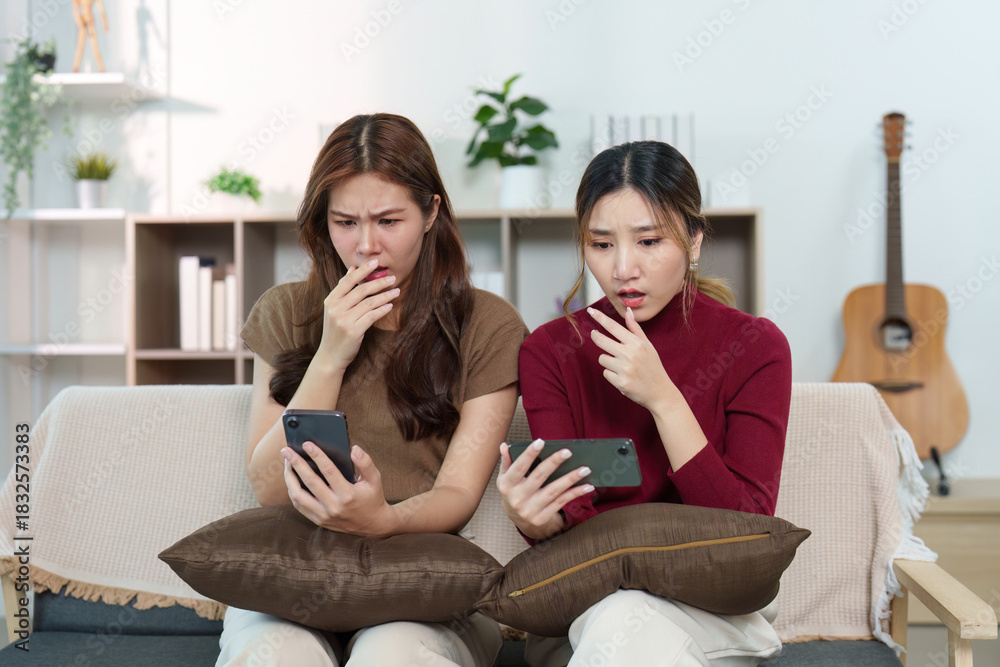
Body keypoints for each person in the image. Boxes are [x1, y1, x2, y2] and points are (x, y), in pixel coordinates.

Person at [217, 113, 528, 667]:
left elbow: (457, 494)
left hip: (420, 580)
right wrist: (332, 352)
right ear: (322, 222)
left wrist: (384, 519)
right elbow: (267, 485)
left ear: (432, 212)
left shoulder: (488, 325)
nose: (365, 247)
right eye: (345, 222)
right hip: (295, 574)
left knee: (396, 655)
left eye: (388, 221)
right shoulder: (286, 311)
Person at [496, 141, 793, 667]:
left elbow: (744, 528)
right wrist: (535, 518)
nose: (623, 268)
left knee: (624, 628)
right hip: (584, 612)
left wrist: (664, 399)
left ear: (694, 240)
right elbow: (571, 525)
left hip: (714, 612)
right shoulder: (550, 351)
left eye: (649, 241)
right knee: (619, 620)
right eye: (602, 244)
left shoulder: (756, 346)